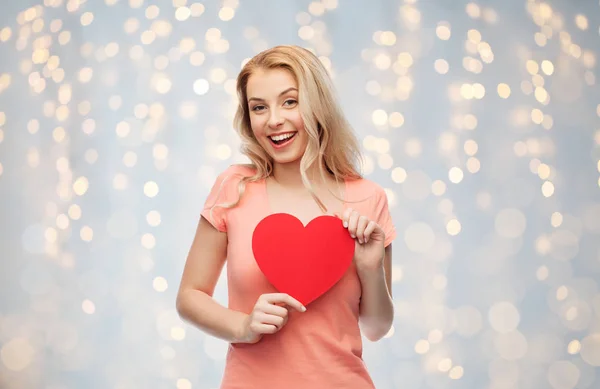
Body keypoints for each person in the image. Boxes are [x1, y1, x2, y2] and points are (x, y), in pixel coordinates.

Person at [176, 45, 396, 389]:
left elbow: (376, 327)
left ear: (317, 104)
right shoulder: (234, 187)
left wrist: (371, 270)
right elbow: (190, 295)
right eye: (259, 107)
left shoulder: (367, 198)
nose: (274, 120)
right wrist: (244, 327)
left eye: (289, 101)